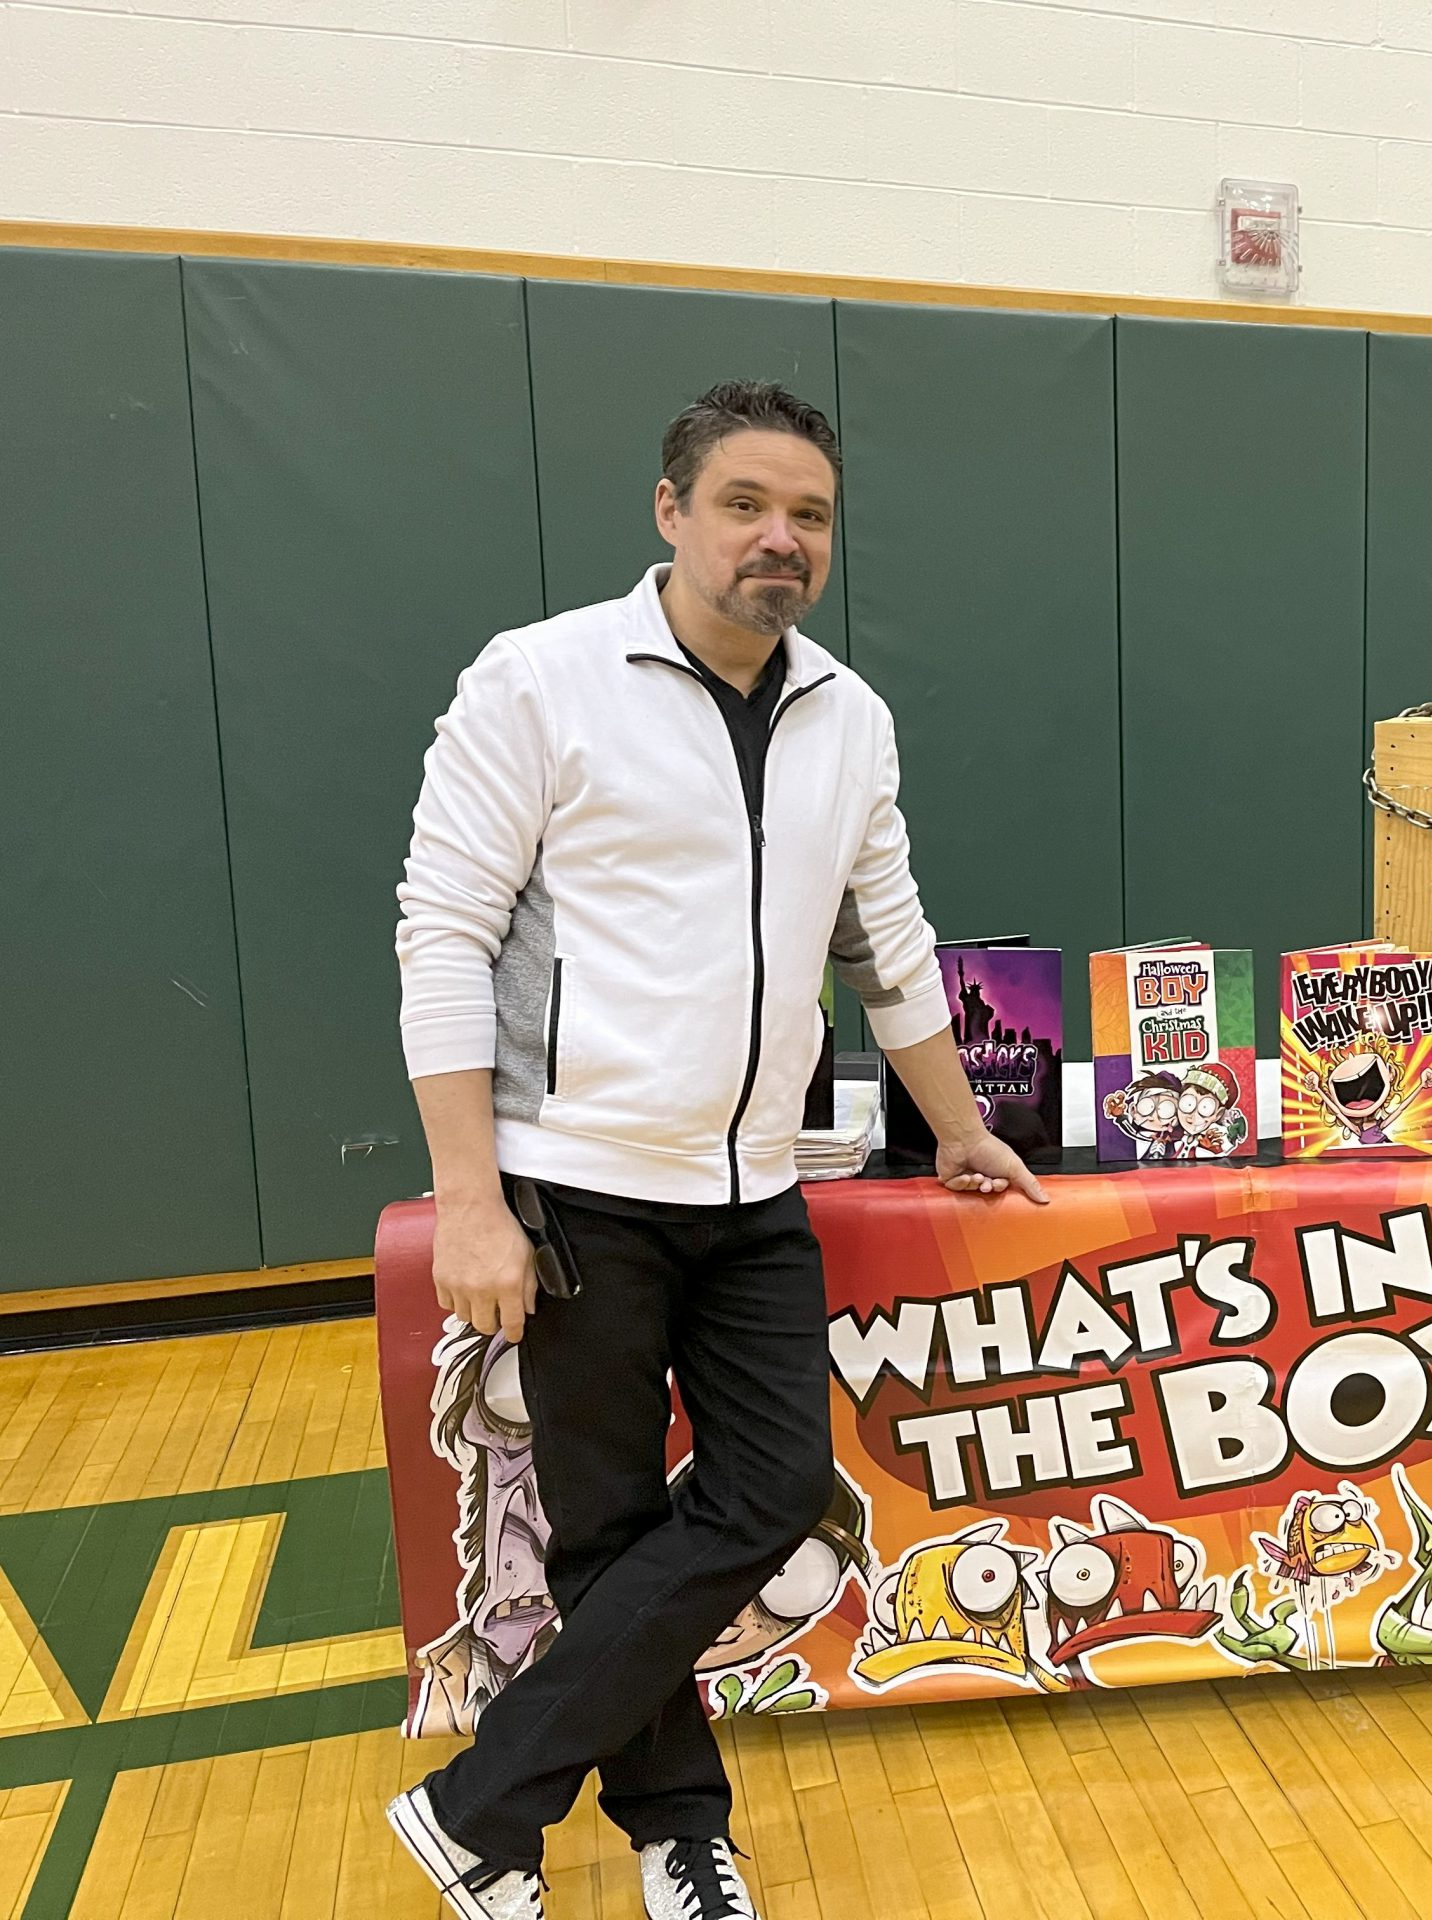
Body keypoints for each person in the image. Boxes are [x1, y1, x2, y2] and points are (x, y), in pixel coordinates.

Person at [388, 380, 1047, 1920]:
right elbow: (442, 937)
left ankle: (482, 1800)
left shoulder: (850, 716)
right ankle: (681, 1833)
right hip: (575, 1187)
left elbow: (890, 949)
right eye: (746, 504)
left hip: (758, 1190)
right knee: (612, 1529)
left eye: (808, 514)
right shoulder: (539, 683)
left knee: (769, 1491)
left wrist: (957, 1131)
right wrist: (472, 1198)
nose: (780, 539)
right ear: (670, 511)